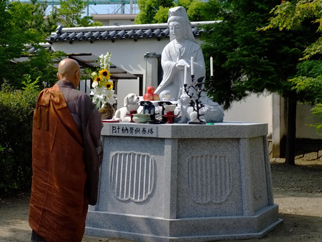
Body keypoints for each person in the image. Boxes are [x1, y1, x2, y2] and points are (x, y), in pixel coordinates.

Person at [29, 59, 103, 242]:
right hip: (71, 177)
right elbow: (94, 138)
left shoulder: (43, 97)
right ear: (77, 75)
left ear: (58, 75)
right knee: (67, 225)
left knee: (44, 215)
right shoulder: (81, 99)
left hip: (45, 175)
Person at [154, 6, 206, 101]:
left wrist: (188, 64)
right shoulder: (168, 48)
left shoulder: (194, 47)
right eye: (171, 28)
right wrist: (175, 66)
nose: (174, 31)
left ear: (185, 28)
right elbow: (164, 64)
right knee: (164, 95)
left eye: (177, 27)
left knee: (191, 97)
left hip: (191, 85)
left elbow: (201, 67)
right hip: (175, 84)